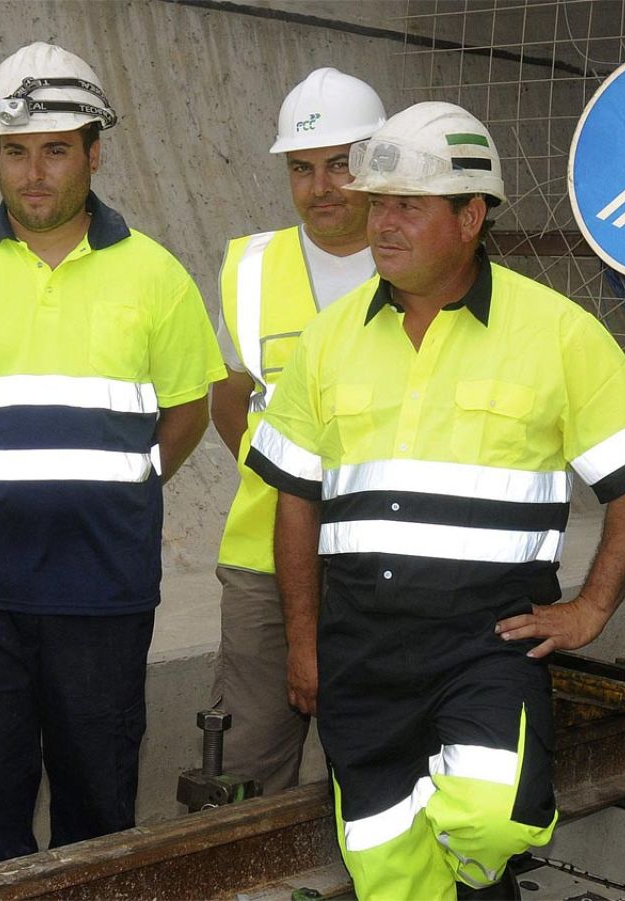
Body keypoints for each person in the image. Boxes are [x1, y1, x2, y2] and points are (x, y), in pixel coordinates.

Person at [246, 101, 625, 900]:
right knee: (388, 863)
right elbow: (295, 499)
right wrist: (304, 642)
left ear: (472, 216)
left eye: (409, 204)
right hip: (360, 647)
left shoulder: (556, 332)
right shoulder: (331, 339)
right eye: (378, 204)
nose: (383, 224)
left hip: (487, 641)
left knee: (490, 817)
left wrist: (591, 607)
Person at [0, 42, 225, 872]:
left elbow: (186, 414)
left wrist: (116, 486)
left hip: (102, 591)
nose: (33, 172)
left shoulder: (157, 275)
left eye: (55, 149)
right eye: (15, 151)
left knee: (97, 813)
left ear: (93, 153)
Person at [210, 68, 386, 795]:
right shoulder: (250, 268)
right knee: (247, 770)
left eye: (342, 163)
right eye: (302, 168)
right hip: (262, 557)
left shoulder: (423, 260)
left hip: (381, 560)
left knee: (377, 765)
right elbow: (228, 399)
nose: (322, 187)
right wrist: (285, 486)